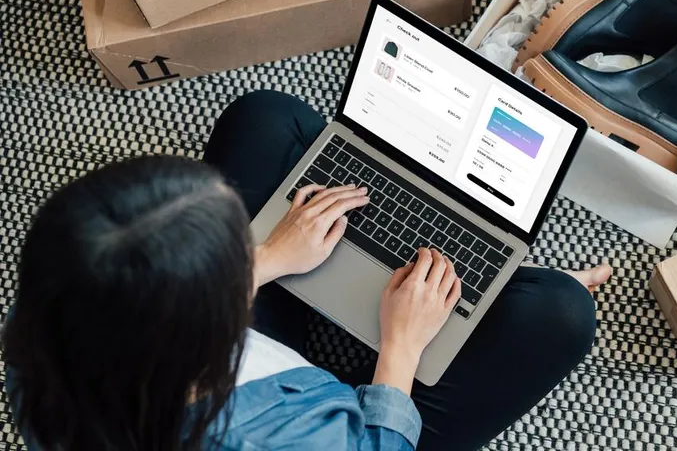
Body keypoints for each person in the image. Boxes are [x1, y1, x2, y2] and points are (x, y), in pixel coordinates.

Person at [3, 90, 612, 450]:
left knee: (265, 116)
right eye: (232, 254)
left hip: (222, 370)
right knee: (558, 314)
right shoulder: (291, 439)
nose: (247, 241)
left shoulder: (44, 331)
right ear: (209, 329)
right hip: (348, 423)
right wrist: (400, 347)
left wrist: (269, 256)